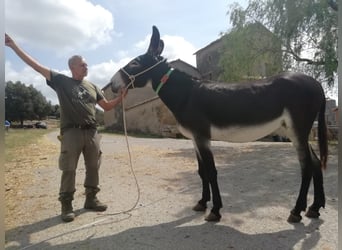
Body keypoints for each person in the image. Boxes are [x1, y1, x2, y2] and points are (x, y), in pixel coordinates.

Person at [5, 33, 127, 222]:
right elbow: (35, 66)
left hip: (92, 131)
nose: (86, 67)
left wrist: (121, 97)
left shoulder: (92, 86)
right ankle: (66, 204)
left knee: (94, 166)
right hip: (72, 132)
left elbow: (106, 106)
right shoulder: (61, 81)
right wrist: (14, 46)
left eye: (87, 64)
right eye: (82, 64)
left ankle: (91, 199)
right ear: (72, 67)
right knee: (69, 168)